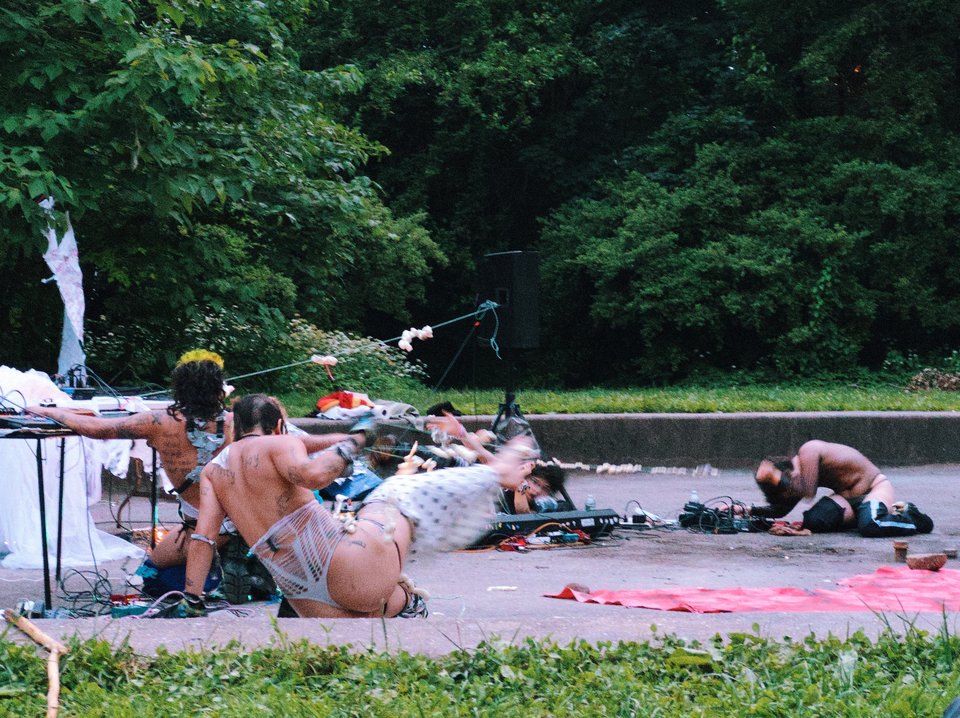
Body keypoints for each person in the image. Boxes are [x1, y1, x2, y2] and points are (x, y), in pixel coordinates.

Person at [181, 394, 534, 618]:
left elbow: (203, 539)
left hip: (307, 600)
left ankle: (405, 601)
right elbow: (314, 474)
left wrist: (193, 599)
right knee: (394, 491)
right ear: (277, 425)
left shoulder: (214, 470)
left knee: (385, 598)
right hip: (349, 569)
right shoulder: (279, 442)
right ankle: (497, 473)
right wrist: (357, 440)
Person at [28, 352, 355, 571]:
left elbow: (96, 428)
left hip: (208, 523)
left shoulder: (156, 422)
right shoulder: (236, 422)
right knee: (157, 563)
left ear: (179, 389)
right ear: (221, 390)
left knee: (151, 571)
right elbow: (299, 442)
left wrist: (49, 409)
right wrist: (347, 439)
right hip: (249, 516)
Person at [748, 440, 933, 537]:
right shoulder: (797, 481)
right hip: (847, 499)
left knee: (871, 526)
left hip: (873, 487)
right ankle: (868, 514)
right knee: (814, 521)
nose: (790, 489)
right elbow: (781, 510)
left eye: (785, 482)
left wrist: (774, 478)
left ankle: (913, 517)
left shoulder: (809, 450)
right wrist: (745, 510)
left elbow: (809, 493)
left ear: (787, 471)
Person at [425, 410, 569, 514]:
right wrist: (461, 433)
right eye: (536, 483)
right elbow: (488, 459)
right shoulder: (511, 479)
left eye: (545, 488)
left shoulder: (545, 504)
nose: (537, 490)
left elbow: (523, 513)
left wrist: (521, 485)